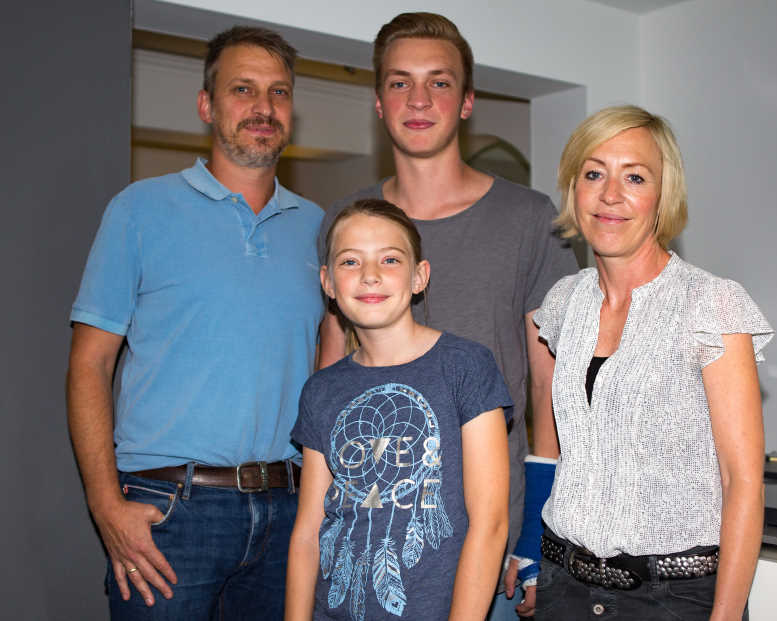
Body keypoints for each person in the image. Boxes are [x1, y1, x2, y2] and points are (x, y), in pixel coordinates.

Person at [316, 13, 578, 616]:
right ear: (378, 103)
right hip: (371, 531)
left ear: (466, 102)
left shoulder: (530, 219)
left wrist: (536, 532)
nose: (419, 99)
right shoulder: (345, 223)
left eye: (439, 82)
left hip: (495, 538)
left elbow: (551, 387)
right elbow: (332, 383)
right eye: (400, 82)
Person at [66, 26, 324, 619]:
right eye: (243, 89)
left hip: (289, 509)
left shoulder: (319, 228)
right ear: (207, 105)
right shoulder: (139, 209)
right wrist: (105, 505)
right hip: (169, 512)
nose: (263, 107)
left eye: (279, 92)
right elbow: (89, 363)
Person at [505, 105, 773, 620]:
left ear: (663, 194)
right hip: (564, 588)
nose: (610, 194)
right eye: (593, 174)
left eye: (634, 177)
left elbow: (742, 482)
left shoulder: (710, 304)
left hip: (676, 599)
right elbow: (557, 447)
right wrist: (533, 551)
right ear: (573, 189)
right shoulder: (563, 302)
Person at [286, 199, 511, 620]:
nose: (370, 275)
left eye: (389, 259)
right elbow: (308, 533)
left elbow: (491, 523)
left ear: (419, 276)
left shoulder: (464, 366)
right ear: (328, 282)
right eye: (350, 261)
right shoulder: (321, 389)